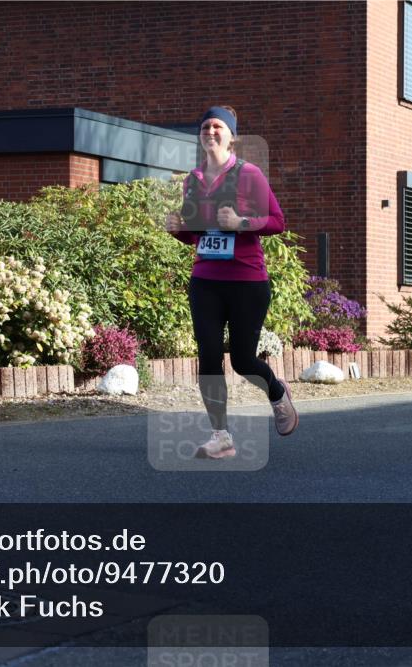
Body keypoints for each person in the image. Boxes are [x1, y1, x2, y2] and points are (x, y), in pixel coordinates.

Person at [165, 105, 298, 460]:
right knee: (208, 356)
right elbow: (198, 236)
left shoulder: (249, 174)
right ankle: (221, 436)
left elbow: (277, 221)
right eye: (205, 126)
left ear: (231, 137)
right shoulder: (192, 180)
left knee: (242, 360)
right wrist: (179, 230)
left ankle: (277, 392)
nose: (210, 131)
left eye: (217, 126)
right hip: (205, 280)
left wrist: (241, 222)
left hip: (246, 281)